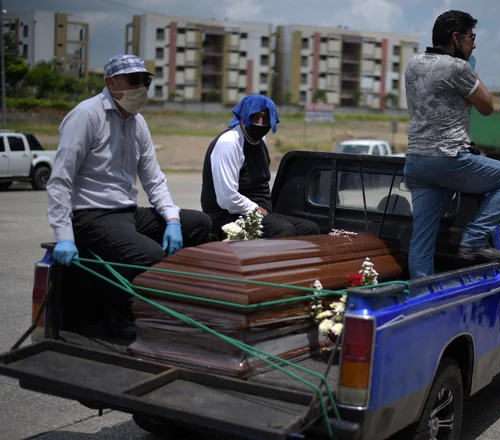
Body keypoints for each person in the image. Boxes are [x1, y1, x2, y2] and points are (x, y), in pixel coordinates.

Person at [47, 54, 212, 339]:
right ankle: (116, 311)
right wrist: (63, 234)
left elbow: (154, 179)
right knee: (148, 254)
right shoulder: (87, 116)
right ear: (110, 82)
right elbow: (60, 179)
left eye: (145, 81)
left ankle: (174, 301)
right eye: (134, 80)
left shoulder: (137, 123)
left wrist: (172, 219)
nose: (142, 88)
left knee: (200, 223)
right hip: (91, 215)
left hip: (127, 212)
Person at [403, 10, 500, 279]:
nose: (474, 43)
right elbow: (487, 107)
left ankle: (422, 298)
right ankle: (474, 239)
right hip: (448, 159)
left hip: (416, 162)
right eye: (471, 37)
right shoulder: (458, 68)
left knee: (421, 242)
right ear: (456, 38)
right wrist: (471, 66)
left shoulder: (413, 63)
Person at [201, 94, 320, 239]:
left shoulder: (260, 140)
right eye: (255, 117)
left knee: (309, 228)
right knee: (283, 230)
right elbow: (227, 198)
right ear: (243, 117)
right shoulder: (229, 143)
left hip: (258, 213)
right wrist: (257, 209)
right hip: (226, 214)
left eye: (266, 118)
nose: (260, 123)